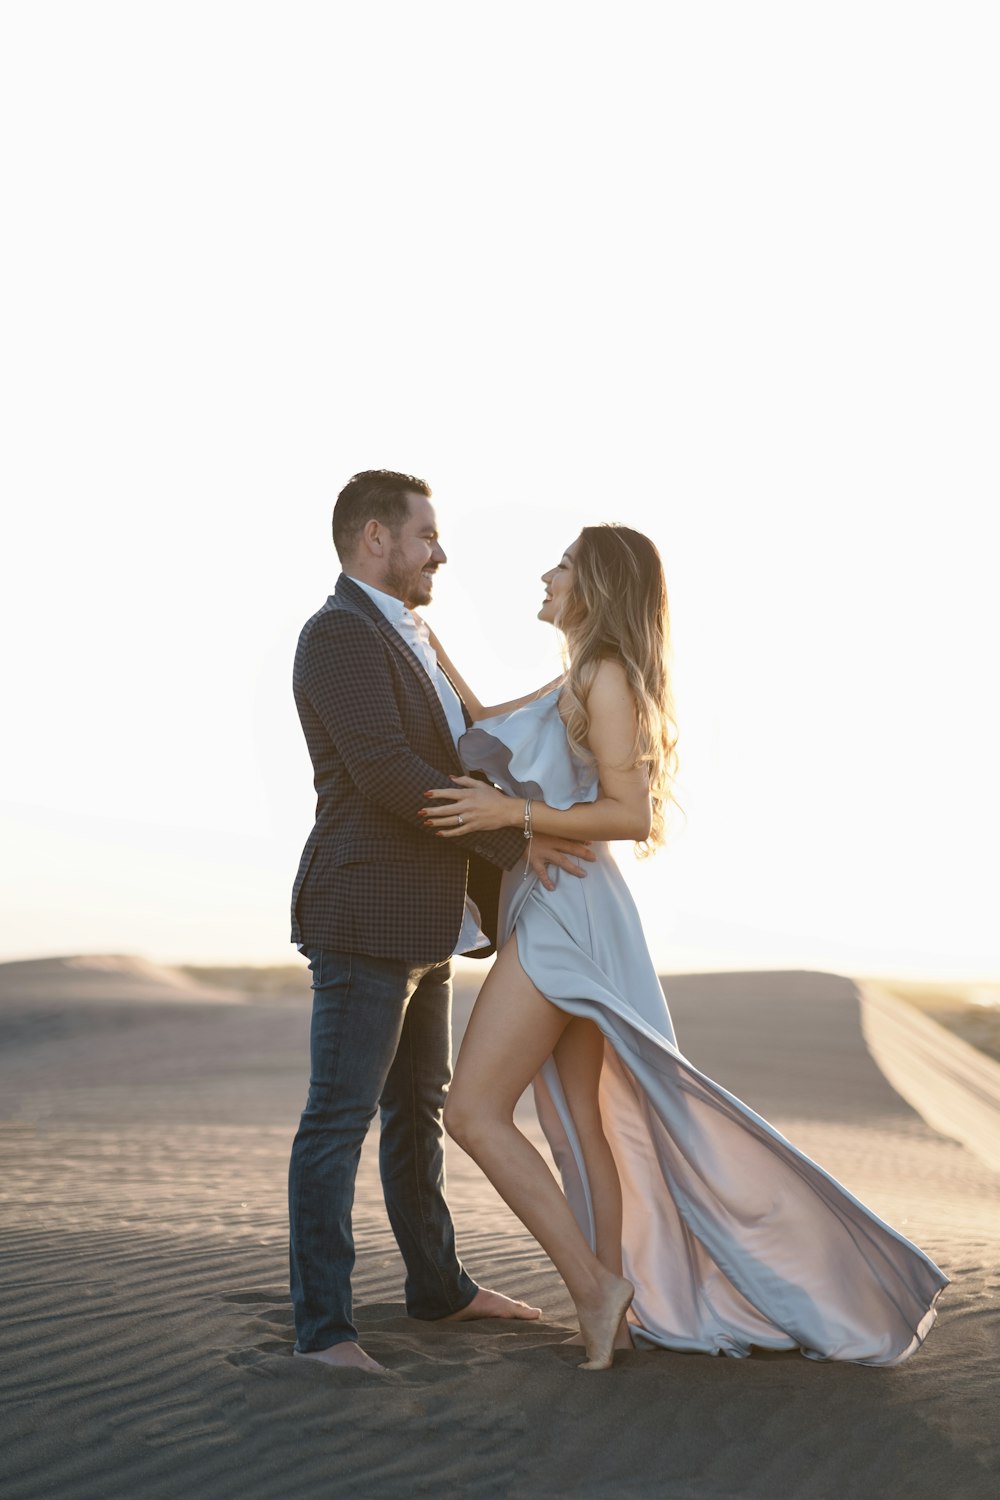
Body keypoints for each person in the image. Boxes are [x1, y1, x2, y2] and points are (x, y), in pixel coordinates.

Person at [421, 524, 949, 1371]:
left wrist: (511, 818)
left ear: (594, 584)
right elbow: (485, 720)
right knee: (579, 1125)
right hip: (555, 904)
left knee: (475, 1112)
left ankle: (598, 1291)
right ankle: (613, 1314)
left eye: (562, 564)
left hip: (569, 912)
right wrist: (422, 639)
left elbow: (634, 815)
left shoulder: (607, 677)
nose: (547, 574)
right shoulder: (581, 673)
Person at [287, 469, 597, 1373]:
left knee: (416, 1110)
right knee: (337, 1119)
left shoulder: (413, 632)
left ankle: (440, 1289)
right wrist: (516, 844)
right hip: (364, 910)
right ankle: (324, 1333)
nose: (441, 552)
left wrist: (596, 673)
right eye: (427, 535)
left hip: (428, 919)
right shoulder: (340, 634)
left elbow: (480, 731)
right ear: (375, 538)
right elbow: (385, 770)